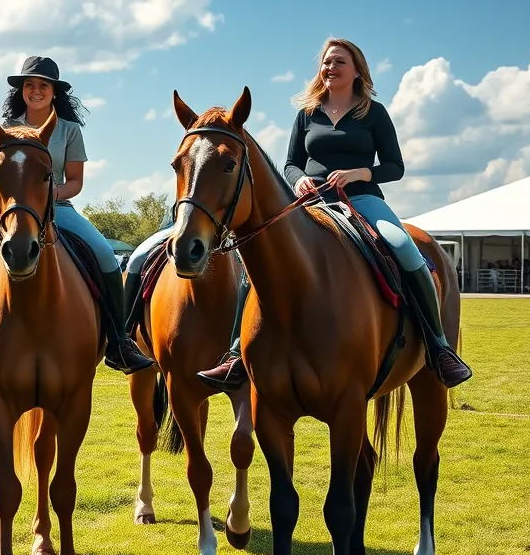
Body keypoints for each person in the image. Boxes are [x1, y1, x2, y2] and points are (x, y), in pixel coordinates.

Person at [199, 38, 471, 392]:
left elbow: (395, 166)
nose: (330, 67)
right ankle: (236, 354)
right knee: (260, 259)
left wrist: (359, 173)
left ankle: (437, 347)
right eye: (326, 62)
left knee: (402, 245)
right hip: (311, 204)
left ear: (357, 70)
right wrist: (298, 183)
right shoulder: (306, 113)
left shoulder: (374, 113)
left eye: (339, 62)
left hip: (362, 199)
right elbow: (291, 163)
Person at [0, 55, 152, 383]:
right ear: (22, 90)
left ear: (53, 91)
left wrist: (47, 196)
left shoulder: (70, 130)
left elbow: (75, 181)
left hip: (56, 208)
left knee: (105, 256)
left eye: (43, 85)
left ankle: (119, 342)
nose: (36, 90)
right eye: (30, 85)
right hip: (3, 210)